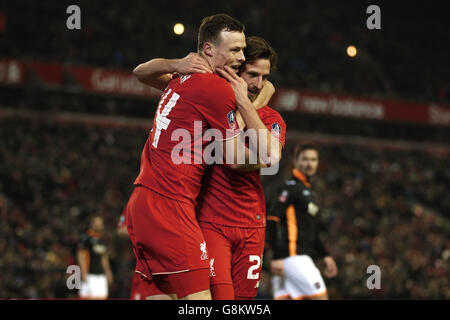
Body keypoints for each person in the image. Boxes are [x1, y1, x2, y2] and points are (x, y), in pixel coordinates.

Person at [134, 36, 286, 299]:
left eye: (264, 77)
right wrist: (178, 64)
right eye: (252, 74)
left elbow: (271, 156)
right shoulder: (207, 97)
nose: (259, 84)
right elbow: (142, 73)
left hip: (252, 225)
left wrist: (246, 102)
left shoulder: (271, 117)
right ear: (234, 70)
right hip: (209, 222)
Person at [125, 13, 253, 300]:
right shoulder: (215, 88)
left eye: (243, 49)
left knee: (163, 295)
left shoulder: (182, 78)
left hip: (141, 203)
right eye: (234, 50)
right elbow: (236, 159)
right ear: (208, 49)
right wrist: (268, 155)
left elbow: (140, 71)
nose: (242, 57)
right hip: (170, 207)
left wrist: (175, 63)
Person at [266, 143, 338, 300]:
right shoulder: (290, 188)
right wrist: (276, 256)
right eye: (305, 159)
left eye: (313, 159)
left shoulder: (309, 192)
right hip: (292, 256)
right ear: (295, 161)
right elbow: (272, 219)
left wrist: (325, 255)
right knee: (321, 297)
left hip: (297, 257)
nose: (309, 163)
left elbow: (311, 231)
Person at [77, 216, 113, 300]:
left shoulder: (103, 239)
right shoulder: (86, 238)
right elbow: (80, 256)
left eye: (100, 224)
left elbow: (104, 257)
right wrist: (83, 273)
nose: (99, 225)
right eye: (96, 223)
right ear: (92, 224)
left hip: (101, 276)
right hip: (90, 274)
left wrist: (108, 272)